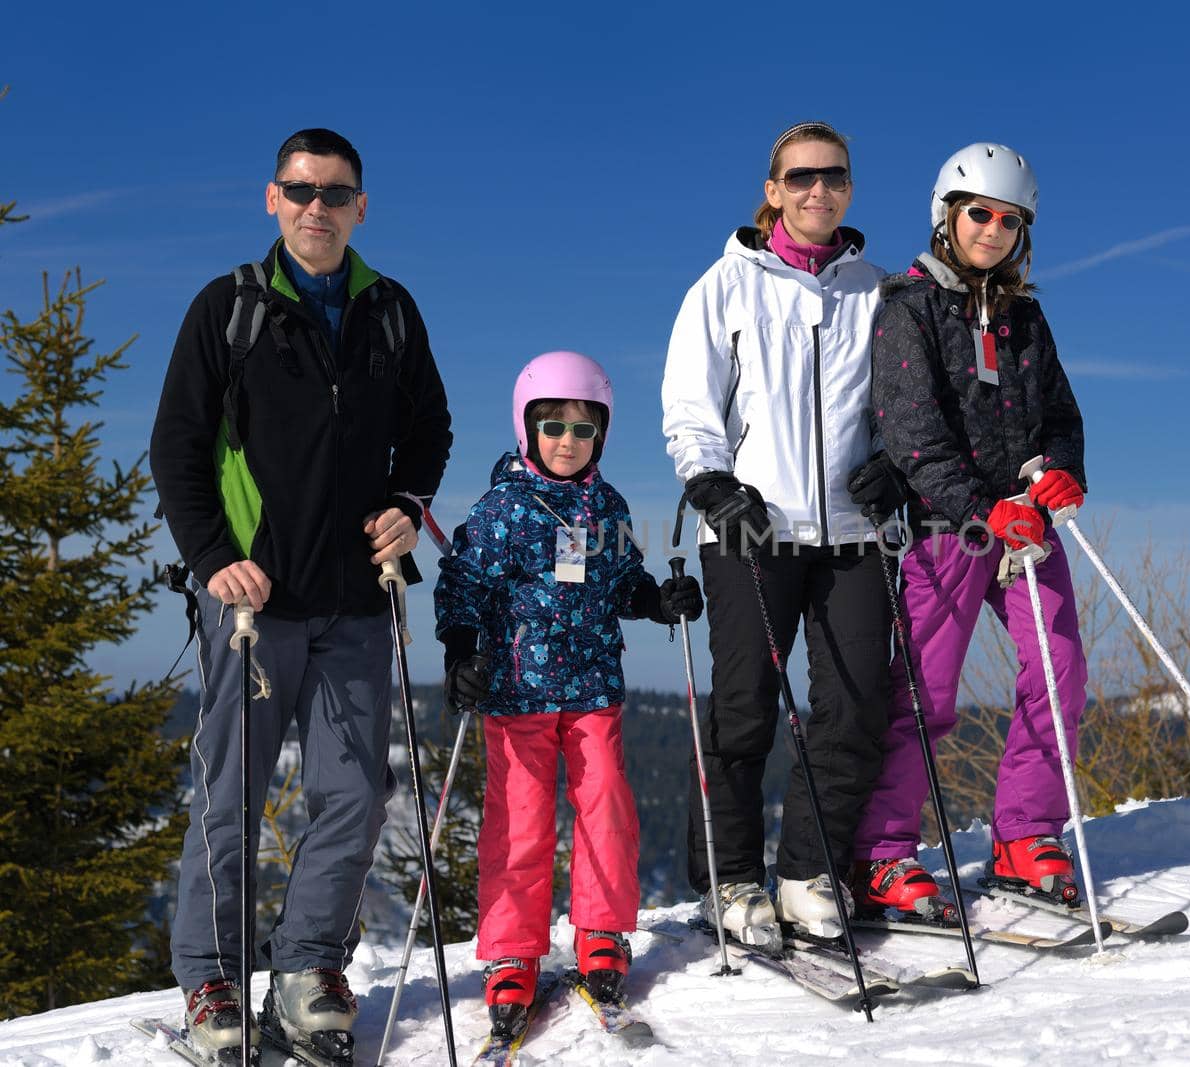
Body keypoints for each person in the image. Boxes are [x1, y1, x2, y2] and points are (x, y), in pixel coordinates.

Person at [149, 128, 452, 1062]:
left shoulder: (389, 311)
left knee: (353, 792)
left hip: (357, 599)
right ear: (272, 199)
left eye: (335, 192)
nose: (316, 205)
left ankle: (308, 965)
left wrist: (406, 505)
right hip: (252, 600)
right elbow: (178, 447)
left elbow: (429, 426)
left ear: (362, 207)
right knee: (232, 792)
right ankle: (209, 975)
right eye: (300, 189)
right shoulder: (230, 307)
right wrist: (210, 557)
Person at [661, 120, 904, 947]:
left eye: (834, 176)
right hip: (749, 529)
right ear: (773, 189)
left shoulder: (878, 291)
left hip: (852, 533)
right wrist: (711, 482)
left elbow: (902, 406)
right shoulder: (723, 286)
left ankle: (806, 872)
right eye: (800, 177)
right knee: (742, 711)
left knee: (855, 702)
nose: (818, 191)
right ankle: (728, 880)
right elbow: (692, 406)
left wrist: (897, 467)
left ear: (849, 187)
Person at [850, 143, 1091, 919]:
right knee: (928, 691)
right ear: (946, 215)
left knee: (1059, 672)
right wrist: (978, 507)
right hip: (947, 526)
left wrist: (1060, 468)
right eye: (978, 213)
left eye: (1008, 219)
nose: (992, 229)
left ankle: (1026, 832)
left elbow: (1059, 412)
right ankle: (883, 852)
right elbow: (911, 431)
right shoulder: (908, 306)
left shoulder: (1026, 315)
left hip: (1024, 522)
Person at [434, 351, 702, 1037]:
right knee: (520, 826)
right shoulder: (502, 510)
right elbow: (460, 585)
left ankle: (602, 929)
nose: (566, 441)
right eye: (552, 426)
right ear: (527, 428)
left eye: (583, 430)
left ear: (601, 438)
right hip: (517, 692)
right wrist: (462, 651)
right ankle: (512, 951)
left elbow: (622, 581)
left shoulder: (605, 505)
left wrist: (657, 600)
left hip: (592, 690)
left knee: (607, 810)